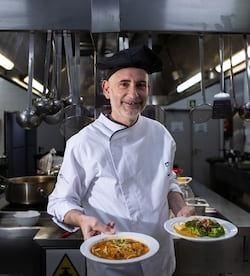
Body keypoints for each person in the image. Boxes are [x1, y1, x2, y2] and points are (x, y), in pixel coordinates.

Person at [47, 45, 195, 276]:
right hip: (112, 261)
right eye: (124, 84)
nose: (133, 95)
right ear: (106, 89)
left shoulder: (161, 134)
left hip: (161, 261)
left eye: (140, 85)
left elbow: (168, 182)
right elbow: (59, 202)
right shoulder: (83, 143)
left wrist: (180, 207)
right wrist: (83, 220)